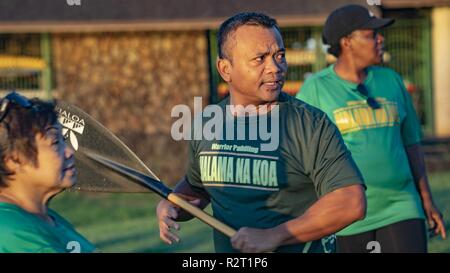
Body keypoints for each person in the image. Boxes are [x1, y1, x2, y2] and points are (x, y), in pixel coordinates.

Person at [157, 12, 367, 253]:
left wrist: (275, 236)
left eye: (280, 56)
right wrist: (172, 205)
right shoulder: (208, 122)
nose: (275, 68)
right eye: (260, 59)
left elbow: (351, 202)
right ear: (225, 69)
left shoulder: (311, 124)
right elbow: (198, 187)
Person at [296, 4, 446, 253]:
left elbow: (411, 145)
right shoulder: (315, 90)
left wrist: (426, 199)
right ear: (347, 42)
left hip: (402, 205)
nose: (380, 39)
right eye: (371, 34)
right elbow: (299, 154)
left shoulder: (391, 81)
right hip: (346, 214)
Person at [0, 91, 95, 253]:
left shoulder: (45, 218)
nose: (69, 152)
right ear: (13, 160)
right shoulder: (12, 230)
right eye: (55, 142)